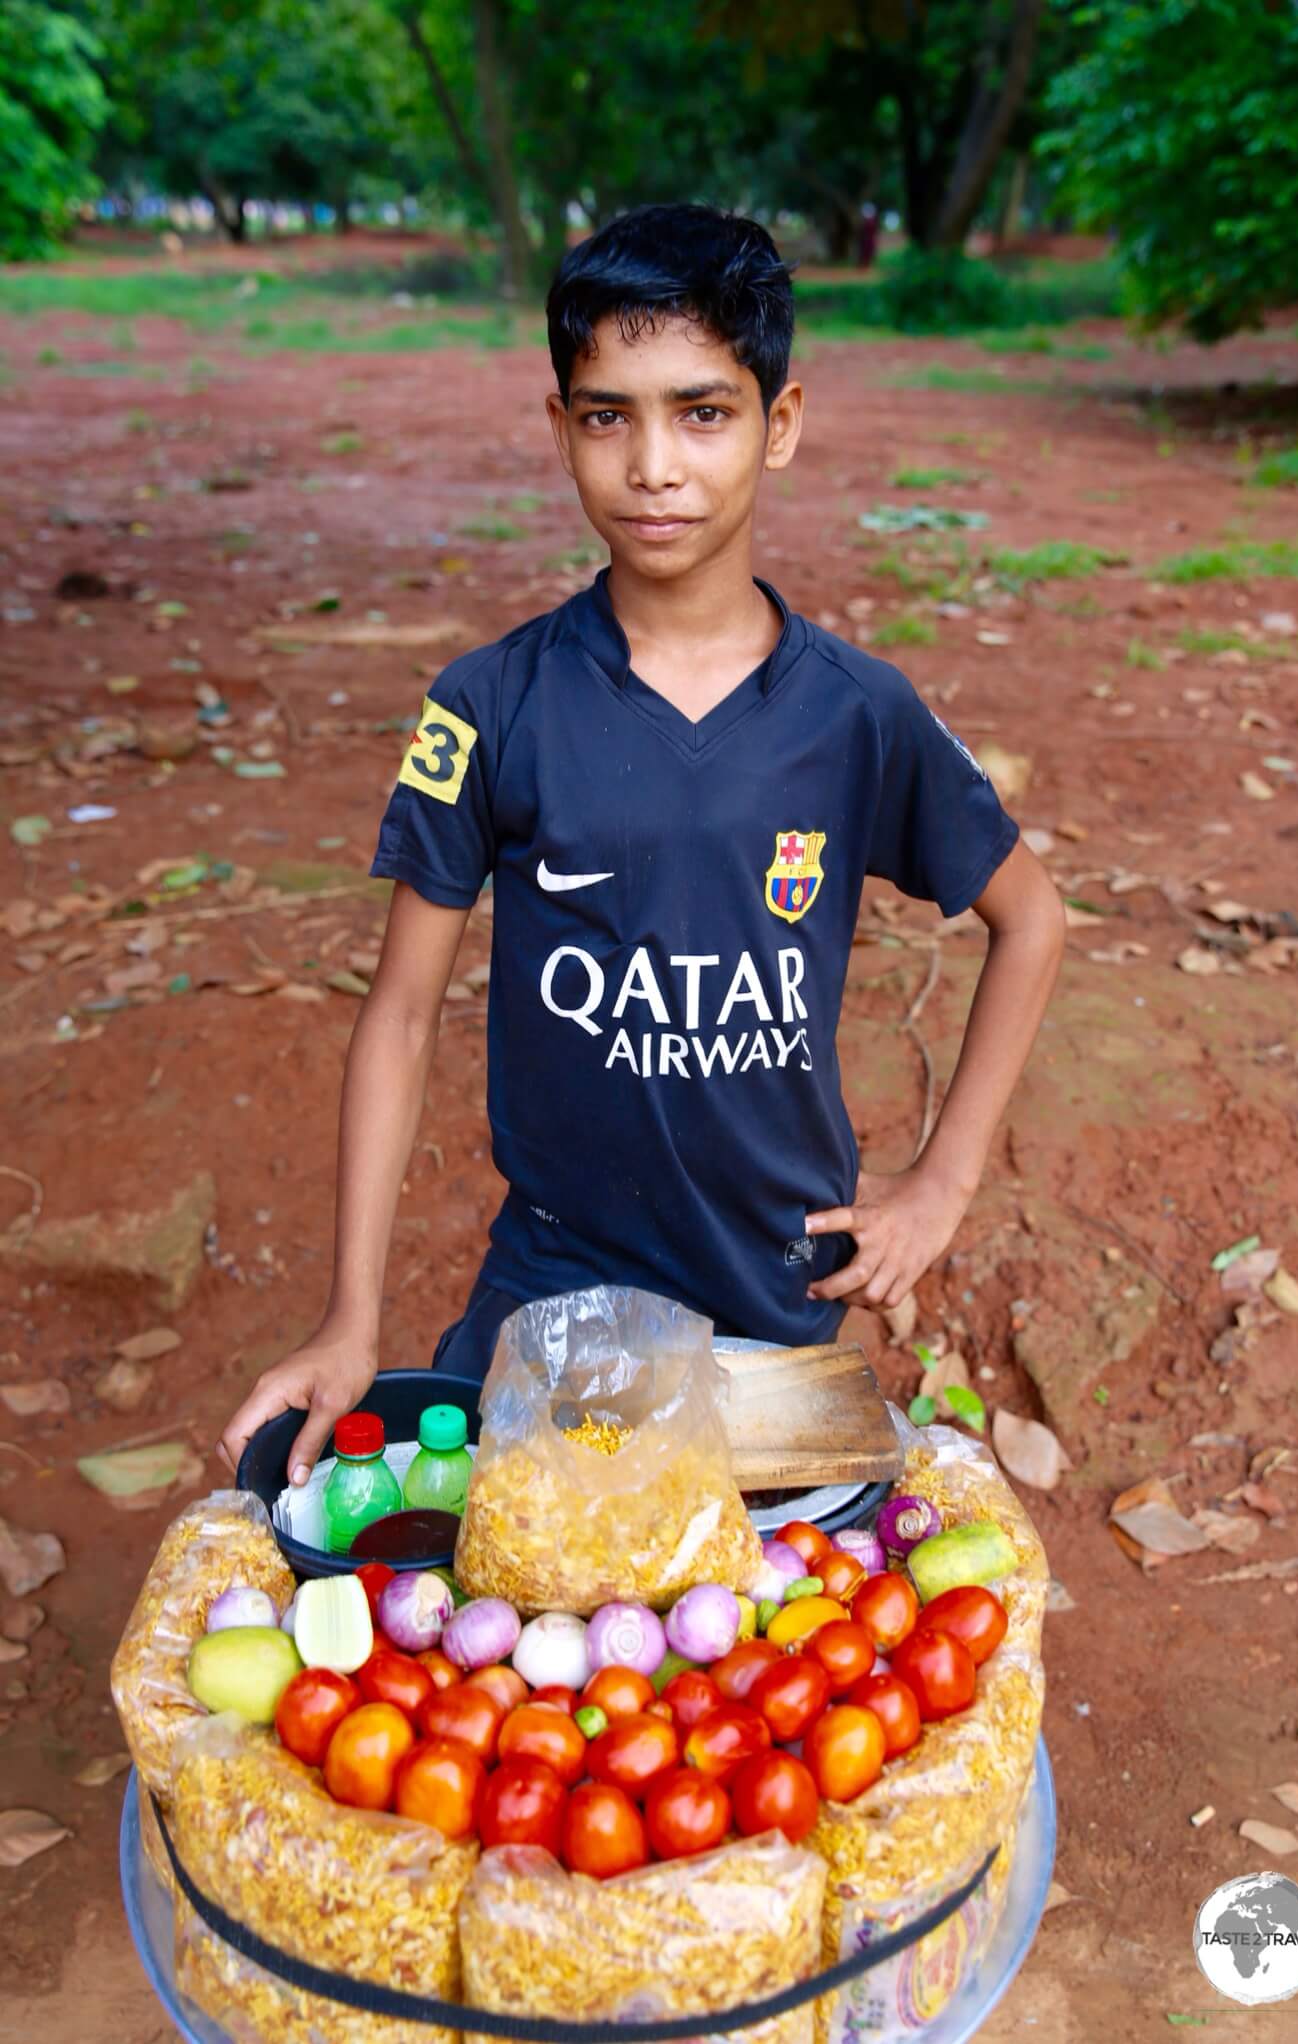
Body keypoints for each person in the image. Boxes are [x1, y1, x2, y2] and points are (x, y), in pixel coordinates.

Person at [217, 203, 1066, 1488]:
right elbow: (397, 1016)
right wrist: (352, 1316)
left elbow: (1031, 916)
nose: (654, 464)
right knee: (485, 1618)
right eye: (608, 416)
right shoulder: (488, 705)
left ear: (779, 426)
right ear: (559, 428)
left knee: (754, 1650)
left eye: (703, 412)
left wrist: (941, 1183)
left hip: (774, 1302)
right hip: (549, 1285)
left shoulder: (857, 715)